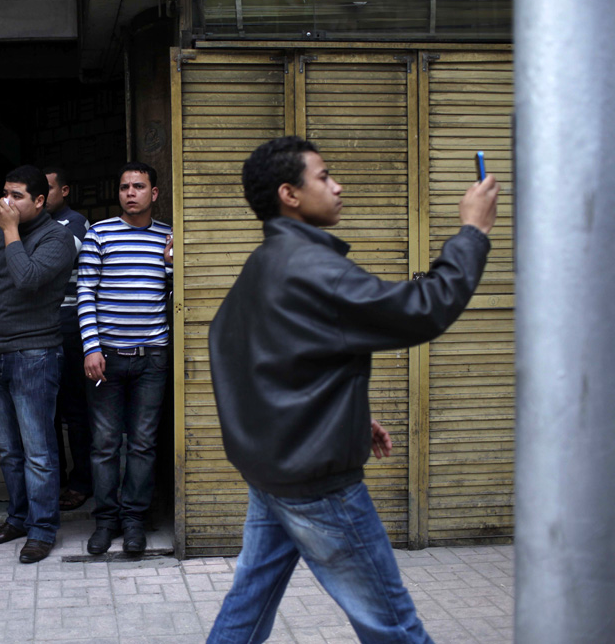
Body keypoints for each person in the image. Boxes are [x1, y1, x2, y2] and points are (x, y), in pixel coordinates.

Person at [206, 136, 499, 643]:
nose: (338, 186)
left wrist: (346, 418)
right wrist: (472, 231)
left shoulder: (266, 264)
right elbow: (423, 308)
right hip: (318, 488)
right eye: (323, 176)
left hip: (275, 473)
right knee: (395, 627)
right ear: (289, 195)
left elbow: (272, 366)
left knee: (247, 608)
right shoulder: (313, 270)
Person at [0, 165, 77, 564]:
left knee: (38, 451)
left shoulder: (58, 238)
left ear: (39, 200)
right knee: (7, 449)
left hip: (35, 354)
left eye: (17, 196)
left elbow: (27, 279)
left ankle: (42, 528)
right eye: (4, 193)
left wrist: (12, 232)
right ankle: (18, 517)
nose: (7, 203)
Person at [77, 162, 173, 555]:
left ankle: (134, 521)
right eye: (124, 186)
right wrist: (91, 347)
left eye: (138, 186)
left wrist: (170, 267)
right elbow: (85, 292)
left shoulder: (169, 236)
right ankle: (105, 521)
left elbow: (174, 298)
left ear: (154, 193)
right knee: (103, 444)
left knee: (143, 444)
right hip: (107, 359)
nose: (130, 192)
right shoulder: (99, 234)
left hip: (152, 358)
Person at [42, 166, 93, 512]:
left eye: (48, 188)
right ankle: (54, 481)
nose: (43, 196)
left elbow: (53, 261)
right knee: (46, 412)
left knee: (76, 411)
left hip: (71, 325)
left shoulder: (76, 222)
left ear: (65, 191)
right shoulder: (31, 228)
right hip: (40, 327)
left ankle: (82, 482)